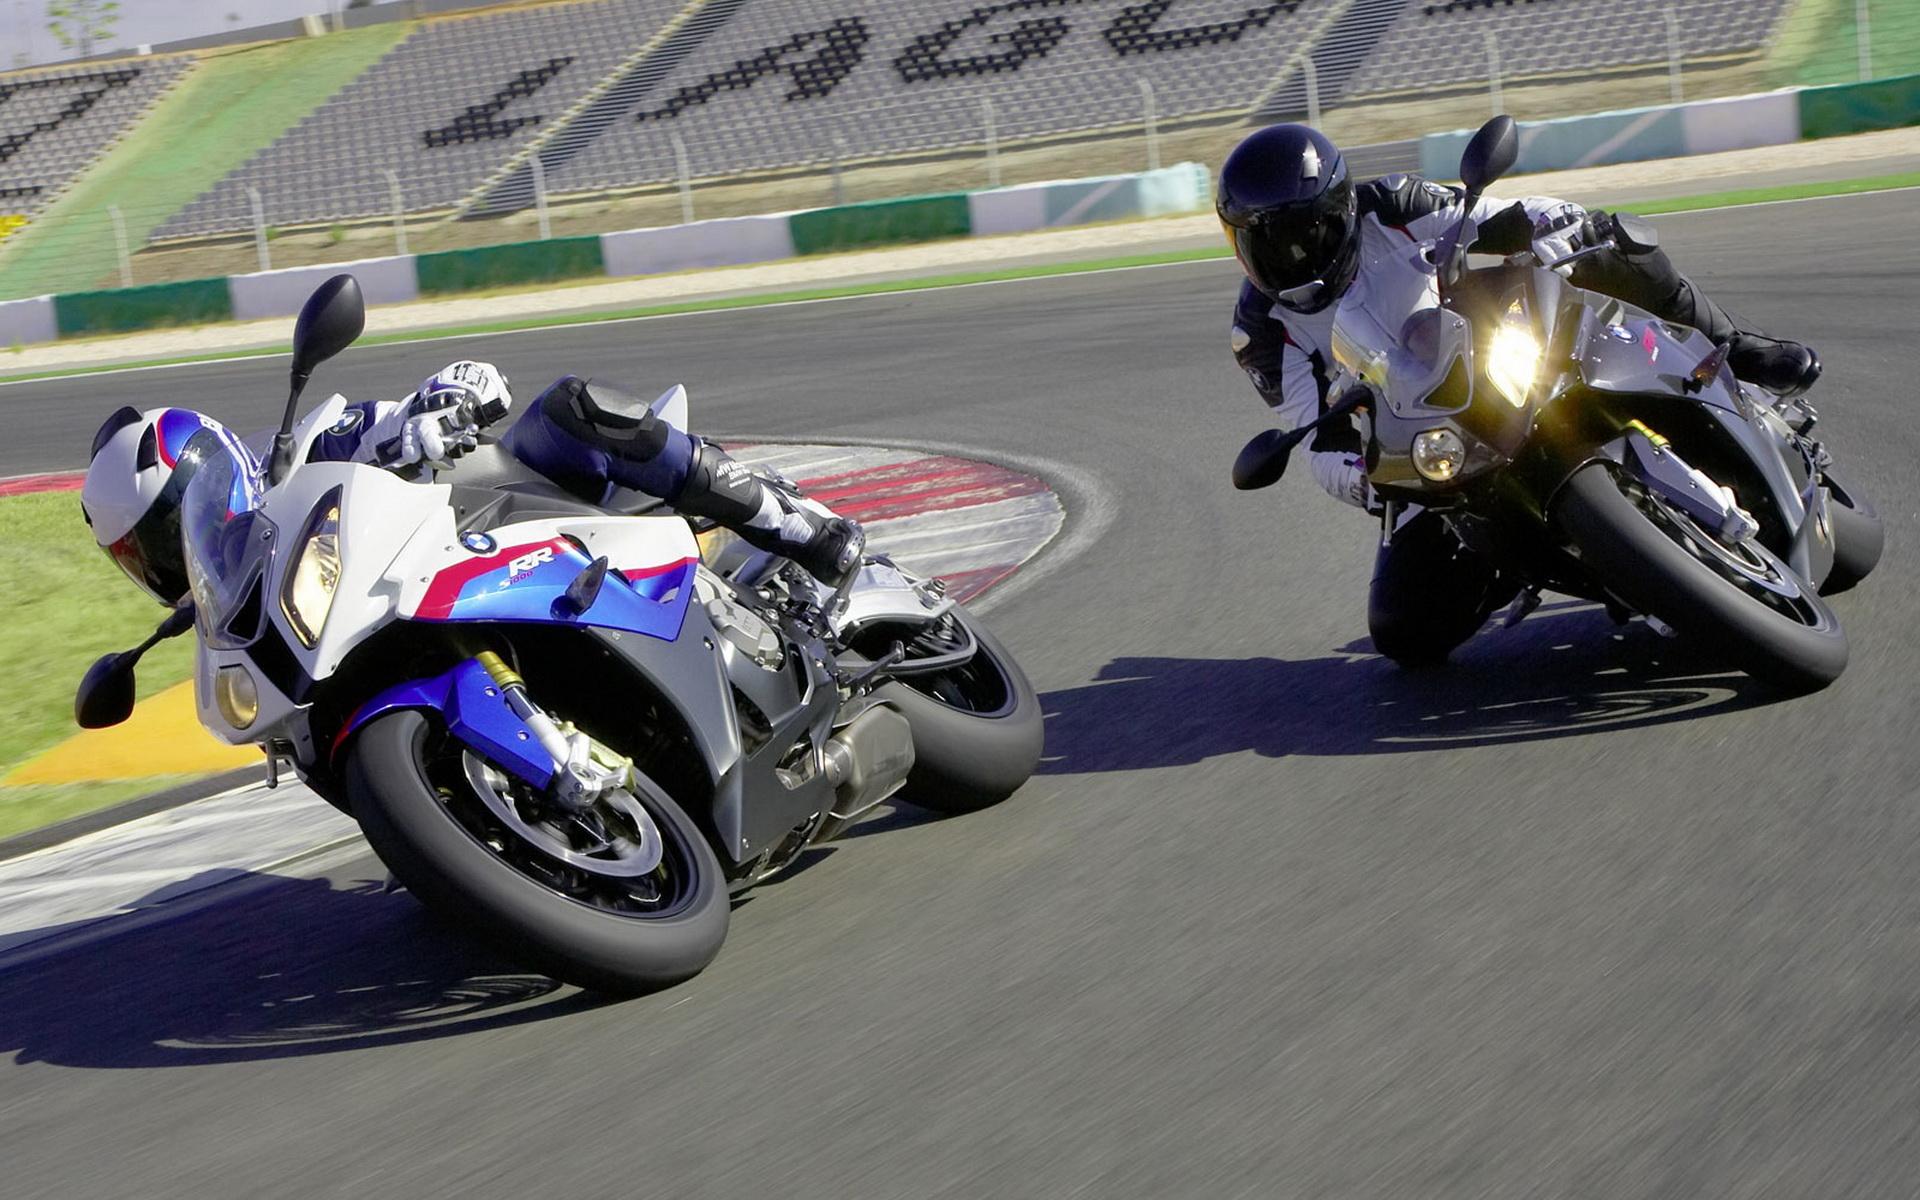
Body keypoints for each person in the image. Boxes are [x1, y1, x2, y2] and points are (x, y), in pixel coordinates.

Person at [1215, 124, 1823, 665]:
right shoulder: (1260, 334)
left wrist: (1558, 225)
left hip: (1487, 348)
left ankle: (1735, 349)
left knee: (1612, 241)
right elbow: (1316, 440)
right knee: (1403, 631)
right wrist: (1372, 478)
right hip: (1425, 443)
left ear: (1342, 210)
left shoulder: (1393, 202)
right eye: (1265, 244)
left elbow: (1496, 215)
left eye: (1306, 233)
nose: (1292, 256)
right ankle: (1525, 557)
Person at [80, 360, 864, 608]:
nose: (172, 554)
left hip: (516, 517)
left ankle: (794, 524)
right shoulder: (239, 614)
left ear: (214, 470)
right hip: (436, 606)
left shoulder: (305, 448)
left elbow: (445, 392)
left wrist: (442, 407)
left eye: (170, 525)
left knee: (571, 409)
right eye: (145, 555)